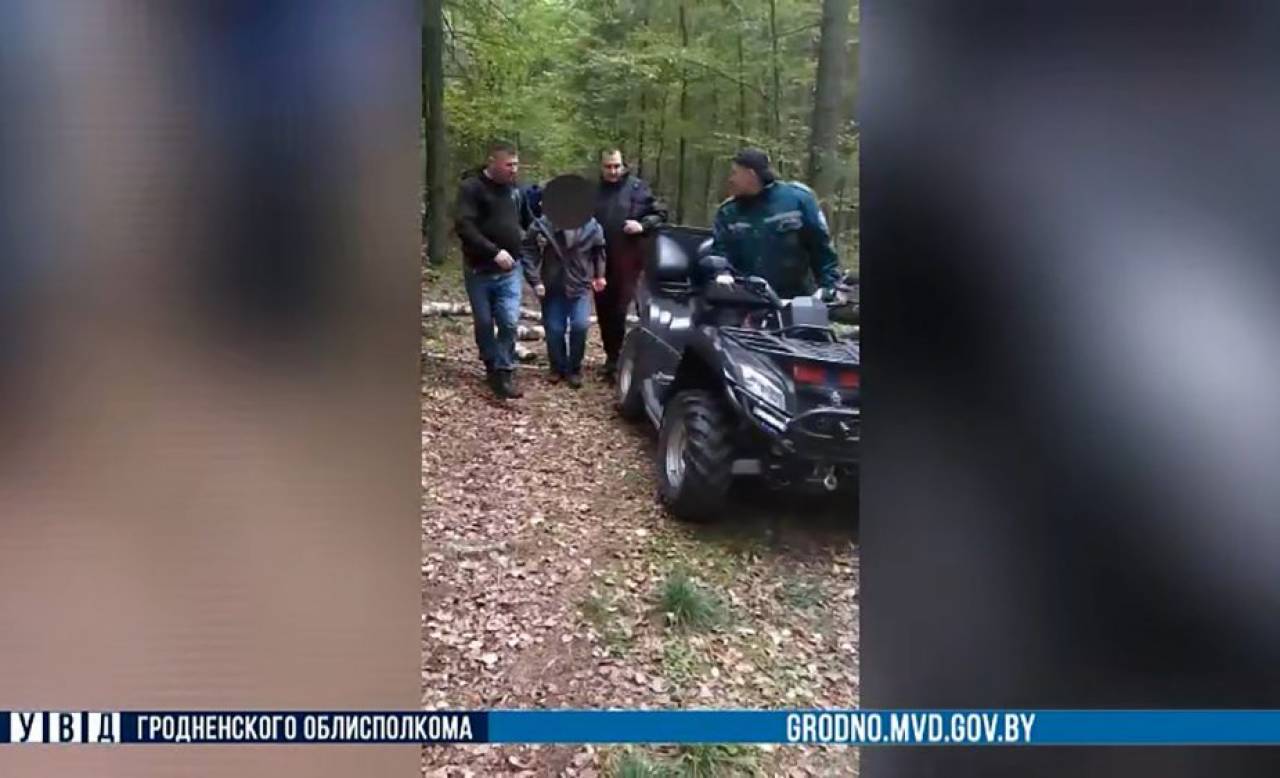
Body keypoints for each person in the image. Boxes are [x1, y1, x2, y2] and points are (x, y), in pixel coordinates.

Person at [709, 148, 841, 299]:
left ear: (750, 174)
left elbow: (821, 247)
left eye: (735, 173)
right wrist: (722, 273)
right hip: (746, 301)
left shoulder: (798, 200)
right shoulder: (729, 212)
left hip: (796, 300)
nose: (731, 179)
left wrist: (828, 287)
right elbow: (720, 251)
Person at [454, 140, 531, 399]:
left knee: (509, 322)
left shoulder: (515, 190)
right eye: (509, 165)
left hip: (511, 271)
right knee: (485, 323)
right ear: (492, 162)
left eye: (516, 164)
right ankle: (491, 363)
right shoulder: (471, 189)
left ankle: (504, 370)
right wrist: (494, 252)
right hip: (479, 270)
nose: (514, 170)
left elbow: (526, 219)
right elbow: (465, 227)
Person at [592, 149, 667, 381]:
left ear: (623, 165)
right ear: (601, 167)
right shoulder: (593, 191)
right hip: (600, 259)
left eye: (617, 166)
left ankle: (628, 360)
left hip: (629, 259)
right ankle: (611, 357)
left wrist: (642, 226)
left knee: (621, 308)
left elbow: (660, 214)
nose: (613, 171)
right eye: (608, 167)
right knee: (604, 309)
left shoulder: (638, 188)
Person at [521, 197, 607, 389]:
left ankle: (574, 368)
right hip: (552, 286)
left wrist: (600, 276)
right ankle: (557, 367)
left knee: (580, 326)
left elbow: (599, 251)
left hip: (580, 285)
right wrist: (535, 280)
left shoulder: (592, 226)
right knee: (555, 329)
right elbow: (527, 250)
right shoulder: (542, 224)